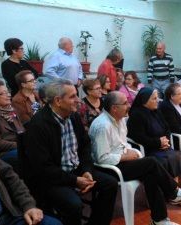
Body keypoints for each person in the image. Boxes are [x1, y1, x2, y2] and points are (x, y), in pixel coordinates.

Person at [89, 91, 181, 225]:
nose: (129, 105)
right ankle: (173, 193)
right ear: (114, 108)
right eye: (125, 103)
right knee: (152, 162)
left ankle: (160, 219)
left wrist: (132, 152)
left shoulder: (120, 119)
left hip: (121, 161)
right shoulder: (103, 125)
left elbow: (123, 143)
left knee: (151, 175)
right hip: (109, 168)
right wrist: (125, 156)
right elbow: (102, 158)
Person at [24, 79, 118, 225]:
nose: (78, 100)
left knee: (110, 184)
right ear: (58, 101)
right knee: (74, 205)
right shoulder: (38, 125)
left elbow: (85, 145)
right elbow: (43, 168)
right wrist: (75, 181)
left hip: (75, 169)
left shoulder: (73, 116)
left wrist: (87, 170)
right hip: (51, 178)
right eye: (73, 96)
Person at [127, 87, 181, 178]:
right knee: (164, 160)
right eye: (154, 98)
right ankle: (170, 189)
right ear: (145, 101)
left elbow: (167, 128)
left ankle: (173, 187)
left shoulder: (156, 111)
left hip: (162, 145)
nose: (158, 101)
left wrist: (166, 140)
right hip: (148, 149)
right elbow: (139, 137)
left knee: (175, 155)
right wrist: (158, 143)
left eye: (157, 98)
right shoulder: (136, 115)